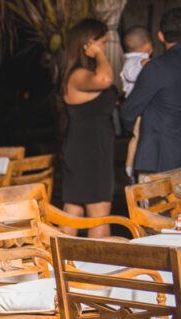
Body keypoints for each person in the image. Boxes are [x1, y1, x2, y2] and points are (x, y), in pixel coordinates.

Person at [60, 18, 116, 237]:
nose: (104, 48)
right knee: (98, 214)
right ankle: (98, 270)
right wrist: (99, 54)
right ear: (89, 44)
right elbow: (105, 79)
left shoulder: (82, 74)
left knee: (73, 211)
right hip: (89, 150)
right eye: (102, 43)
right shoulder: (78, 75)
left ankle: (60, 268)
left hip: (89, 147)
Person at [121, 8, 181, 177]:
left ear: (161, 36)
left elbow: (128, 112)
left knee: (157, 204)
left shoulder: (156, 68)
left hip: (159, 159)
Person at [120, 26, 153, 182]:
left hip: (141, 108)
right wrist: (143, 64)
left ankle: (132, 167)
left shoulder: (135, 59)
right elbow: (130, 73)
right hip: (137, 110)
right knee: (138, 136)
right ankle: (130, 167)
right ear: (148, 45)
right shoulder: (133, 61)